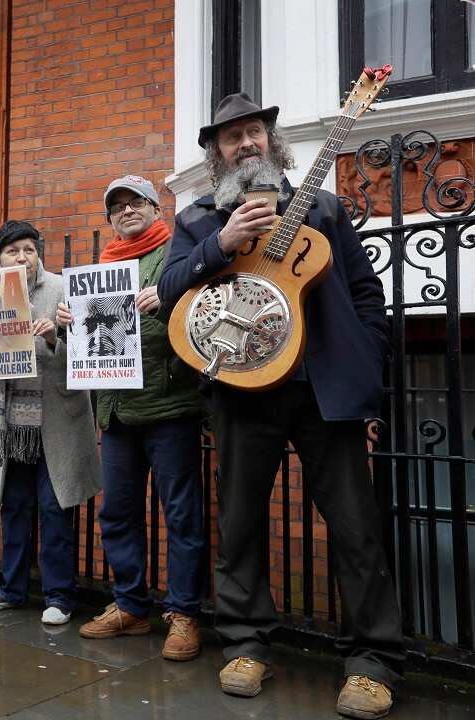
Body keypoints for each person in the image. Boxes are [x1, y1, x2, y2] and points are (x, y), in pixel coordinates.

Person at [157, 92, 404, 719]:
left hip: (324, 389)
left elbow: (365, 293)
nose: (245, 143)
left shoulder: (322, 206)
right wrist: (220, 243)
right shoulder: (197, 220)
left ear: (273, 140)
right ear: (215, 152)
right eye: (231, 136)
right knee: (238, 525)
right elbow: (165, 289)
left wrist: (365, 360)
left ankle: (372, 661)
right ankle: (245, 645)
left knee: (354, 527)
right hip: (243, 393)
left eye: (253, 132)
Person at [69, 175, 207, 661]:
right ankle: (130, 605)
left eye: (135, 203)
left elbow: (205, 313)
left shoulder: (177, 254)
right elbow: (94, 346)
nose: (126, 212)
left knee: (181, 514)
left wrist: (168, 298)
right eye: (117, 207)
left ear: (153, 207)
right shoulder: (104, 265)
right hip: (117, 410)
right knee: (117, 512)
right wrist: (70, 327)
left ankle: (184, 612)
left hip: (170, 405)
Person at [0, 220, 101, 626]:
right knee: (15, 507)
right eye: (13, 251)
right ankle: (11, 590)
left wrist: (54, 338)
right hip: (10, 421)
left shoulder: (63, 289)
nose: (22, 257)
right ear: (0, 258)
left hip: (57, 419)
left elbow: (94, 352)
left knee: (55, 507)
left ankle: (59, 596)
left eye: (28, 249)